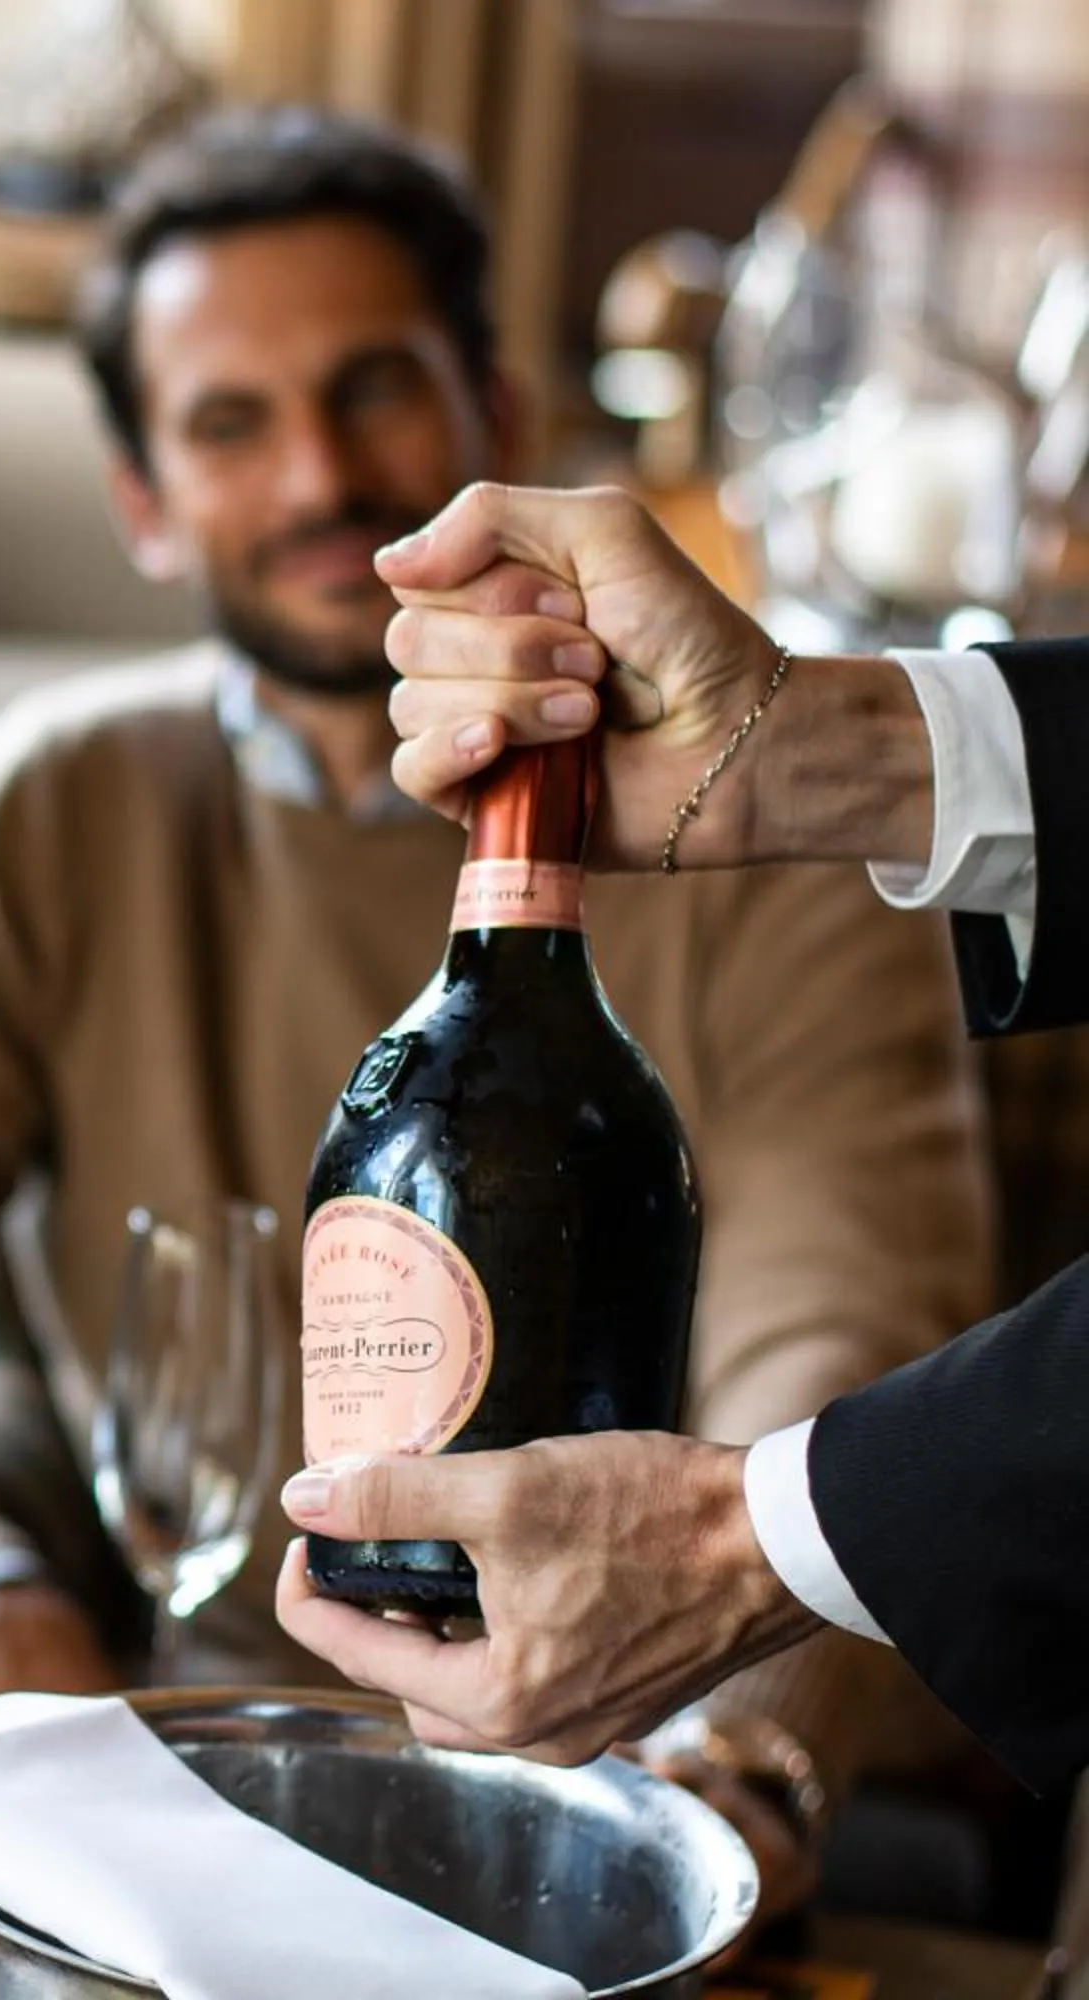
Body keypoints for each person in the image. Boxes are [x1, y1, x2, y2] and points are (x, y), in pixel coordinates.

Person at [0, 107, 993, 1919]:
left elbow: (842, 1338)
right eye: (230, 423)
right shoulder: (64, 807)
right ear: (145, 502)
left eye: (373, 387)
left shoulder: (751, 815)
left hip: (608, 1748)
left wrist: (722, 1773)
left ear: (499, 410)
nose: (319, 472)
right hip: (164, 1757)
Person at [274, 479, 1089, 1798]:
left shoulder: (764, 954)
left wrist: (744, 1543)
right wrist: (811, 743)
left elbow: (841, 1290)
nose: (315, 461)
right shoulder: (68, 791)